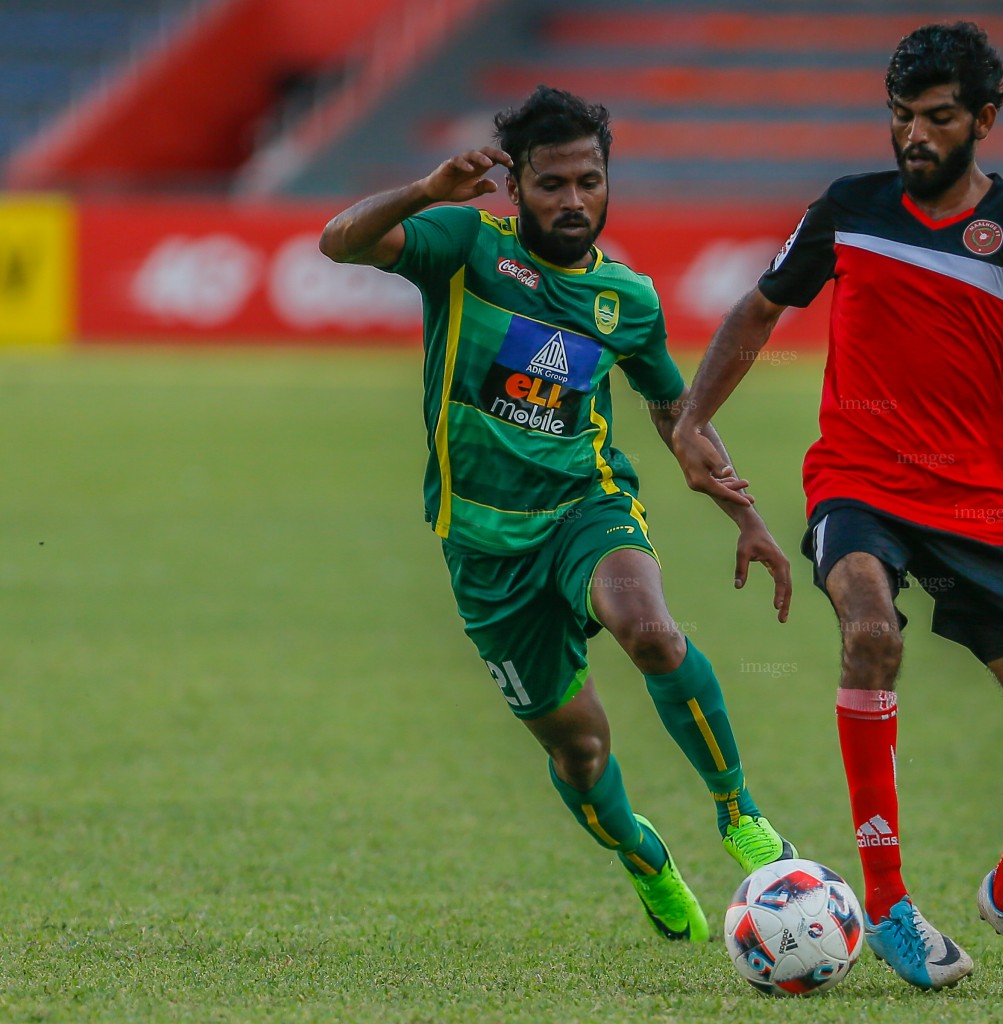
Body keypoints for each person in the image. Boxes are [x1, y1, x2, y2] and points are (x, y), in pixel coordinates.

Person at [671, 22, 1003, 989]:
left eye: (938, 118)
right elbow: (758, 309)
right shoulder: (848, 208)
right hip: (858, 483)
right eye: (901, 117)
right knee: (871, 629)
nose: (914, 136)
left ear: (984, 120)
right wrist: (692, 419)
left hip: (978, 510)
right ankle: (888, 904)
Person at [318, 86, 798, 944]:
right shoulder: (466, 246)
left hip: (586, 505)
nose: (573, 201)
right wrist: (427, 191)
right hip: (482, 546)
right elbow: (338, 241)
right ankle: (645, 858)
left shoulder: (628, 299)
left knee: (650, 631)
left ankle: (738, 811)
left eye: (589, 181)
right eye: (551, 184)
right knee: (577, 753)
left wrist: (741, 509)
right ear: (516, 189)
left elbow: (674, 409)